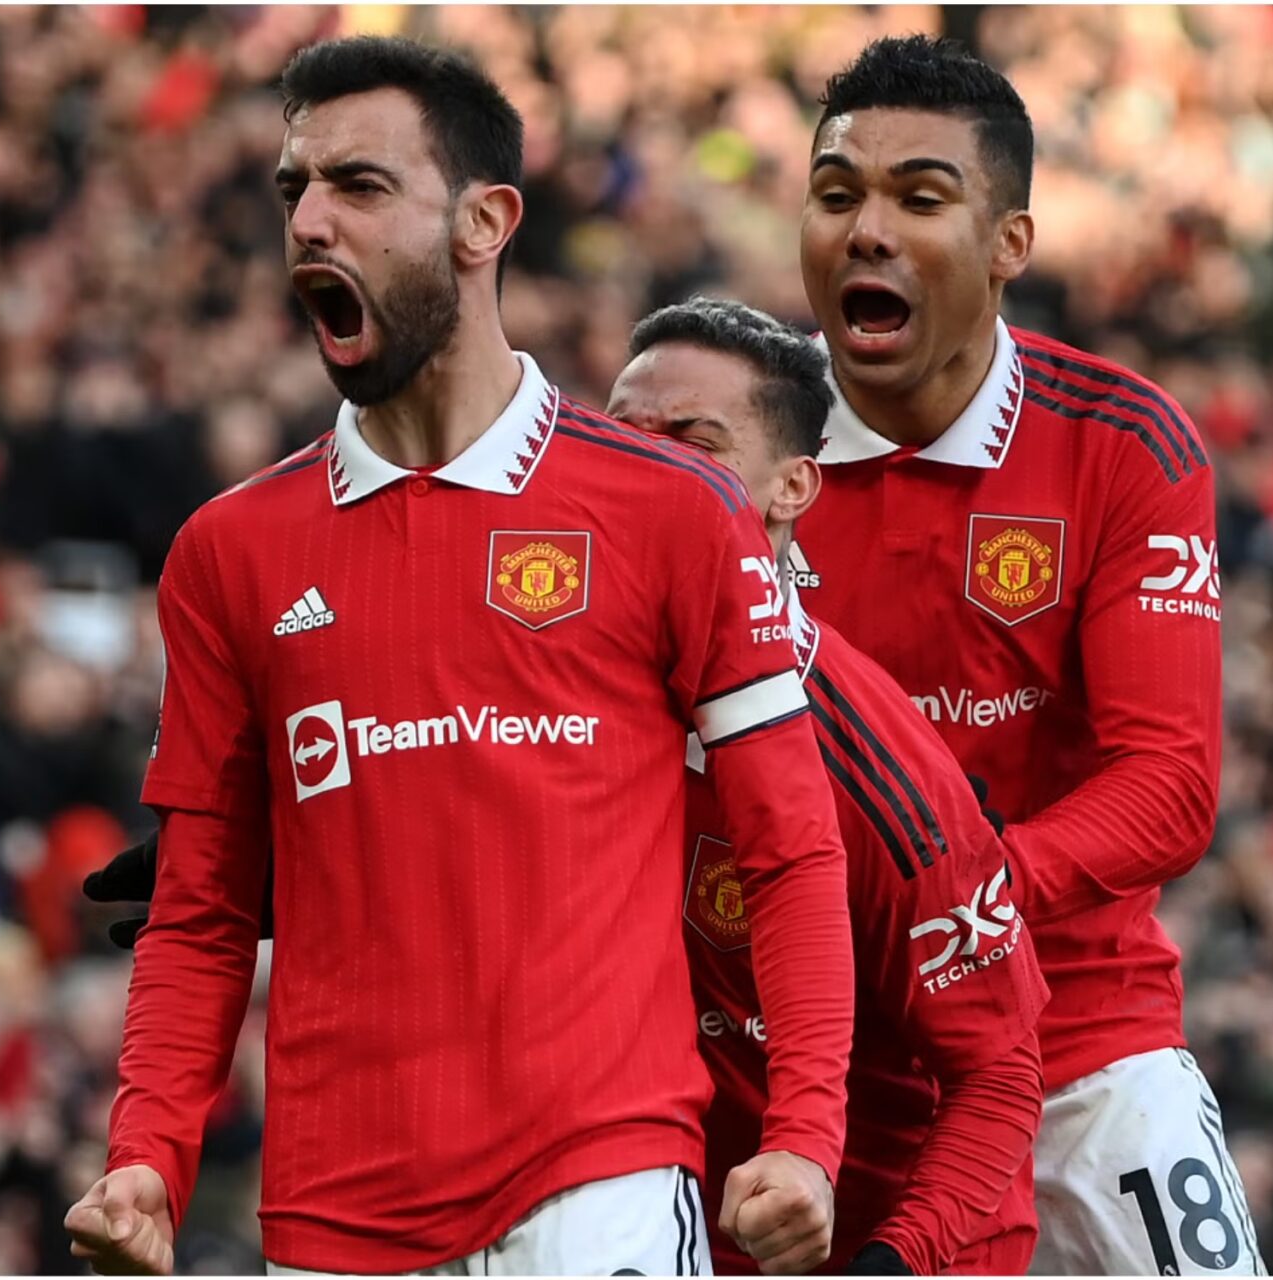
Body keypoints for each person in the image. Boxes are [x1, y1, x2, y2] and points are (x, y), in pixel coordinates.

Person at [64, 37, 855, 1278]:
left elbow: (791, 847)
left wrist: (804, 1134)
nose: (309, 222)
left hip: (600, 1186)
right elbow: (201, 908)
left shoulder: (670, 507)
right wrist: (148, 1152)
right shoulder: (230, 551)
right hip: (332, 1219)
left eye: (359, 186)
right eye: (293, 189)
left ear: (484, 222)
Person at [788, 36, 1259, 1276]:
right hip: (823, 1060)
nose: (867, 230)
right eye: (836, 195)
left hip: (1081, 1045)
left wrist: (973, 895)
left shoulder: (1122, 442)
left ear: (1009, 244)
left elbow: (1169, 785)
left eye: (918, 198)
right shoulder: (732, 448)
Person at [610, 298, 1051, 1276]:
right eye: (620, 435)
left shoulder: (876, 768)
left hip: (880, 1239)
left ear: (790, 487)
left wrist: (890, 1260)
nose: (640, 469)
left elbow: (998, 1076)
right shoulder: (551, 703)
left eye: (692, 443)